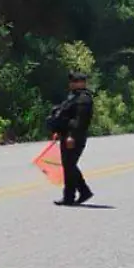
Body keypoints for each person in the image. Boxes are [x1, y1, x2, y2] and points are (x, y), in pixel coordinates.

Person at [47, 70, 94, 206]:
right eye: (71, 81)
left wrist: (71, 136)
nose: (71, 84)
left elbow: (80, 121)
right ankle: (83, 191)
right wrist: (58, 131)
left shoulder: (84, 99)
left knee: (69, 166)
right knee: (69, 166)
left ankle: (70, 196)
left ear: (82, 83)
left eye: (75, 81)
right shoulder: (73, 97)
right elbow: (64, 115)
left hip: (74, 137)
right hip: (66, 134)